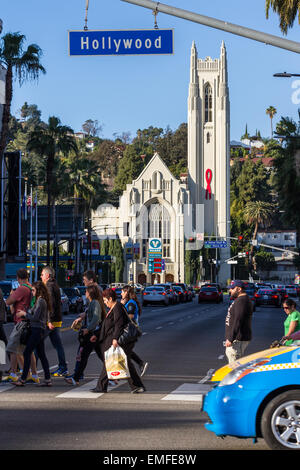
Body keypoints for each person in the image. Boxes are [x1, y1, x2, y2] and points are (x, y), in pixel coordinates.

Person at [91, 288, 146, 393]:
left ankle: (101, 387)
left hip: (120, 340)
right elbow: (107, 326)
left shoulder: (118, 307)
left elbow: (118, 325)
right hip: (112, 339)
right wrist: (97, 335)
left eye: (106, 301)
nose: (105, 303)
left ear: (110, 298)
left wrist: (115, 339)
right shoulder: (113, 308)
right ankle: (137, 386)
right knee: (125, 363)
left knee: (110, 362)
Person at [13, 281, 52, 387]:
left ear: (39, 290)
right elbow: (33, 314)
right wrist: (25, 312)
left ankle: (23, 379)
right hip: (38, 330)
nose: (32, 292)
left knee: (27, 353)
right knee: (41, 354)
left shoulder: (41, 301)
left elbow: (35, 317)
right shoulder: (39, 300)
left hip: (37, 330)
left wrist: (24, 313)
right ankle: (48, 379)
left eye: (33, 290)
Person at [65, 270, 103, 380]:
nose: (83, 282)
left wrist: (88, 325)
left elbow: (96, 312)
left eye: (85, 280)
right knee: (92, 353)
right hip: (92, 327)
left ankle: (77, 375)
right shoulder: (93, 292)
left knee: (83, 352)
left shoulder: (97, 291)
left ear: (91, 280)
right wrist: (83, 316)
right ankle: (78, 374)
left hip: (93, 328)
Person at [5, 269, 39, 383]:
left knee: (12, 348)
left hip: (21, 322)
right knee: (28, 351)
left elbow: (8, 302)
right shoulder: (30, 288)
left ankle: (13, 373)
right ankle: (33, 375)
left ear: (18, 278)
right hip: (29, 322)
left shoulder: (22, 289)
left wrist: (11, 295)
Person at [41, 266, 68, 376]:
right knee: (58, 345)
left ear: (47, 275)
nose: (40, 276)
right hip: (55, 320)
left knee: (36, 344)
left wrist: (49, 320)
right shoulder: (54, 285)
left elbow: (50, 304)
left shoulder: (49, 287)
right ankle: (63, 367)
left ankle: (30, 369)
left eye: (42, 274)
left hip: (51, 321)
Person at [121, 285, 148, 377]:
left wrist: (122, 307)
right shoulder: (129, 302)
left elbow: (130, 316)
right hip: (130, 330)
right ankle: (140, 364)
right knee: (126, 351)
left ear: (126, 293)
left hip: (131, 331)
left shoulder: (131, 303)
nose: (121, 294)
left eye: (122, 292)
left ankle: (130, 373)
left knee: (125, 353)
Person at [225, 280, 253, 363]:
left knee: (235, 366)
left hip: (237, 340)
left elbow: (238, 320)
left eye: (232, 288)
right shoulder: (241, 300)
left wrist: (230, 338)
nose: (230, 290)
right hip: (236, 339)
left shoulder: (241, 301)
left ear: (239, 289)